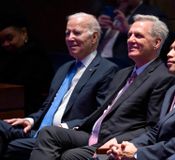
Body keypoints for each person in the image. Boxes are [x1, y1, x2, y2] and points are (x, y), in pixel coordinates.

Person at [29, 14, 175, 160]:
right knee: (48, 133)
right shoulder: (122, 73)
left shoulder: (163, 78)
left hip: (116, 141)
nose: (130, 40)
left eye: (138, 36)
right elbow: (101, 112)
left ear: (157, 43)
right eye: (129, 35)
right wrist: (69, 126)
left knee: (71, 156)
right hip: (93, 133)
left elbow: (152, 127)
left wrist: (119, 141)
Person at [0, 12, 118, 159]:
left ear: (94, 37)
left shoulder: (106, 70)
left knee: (14, 147)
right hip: (37, 129)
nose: (70, 38)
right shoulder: (65, 68)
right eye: (67, 33)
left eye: (77, 33)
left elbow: (100, 114)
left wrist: (64, 127)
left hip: (66, 134)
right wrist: (30, 120)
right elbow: (48, 106)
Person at [107, 33, 175, 160]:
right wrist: (129, 146)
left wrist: (138, 153)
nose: (169, 54)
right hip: (154, 151)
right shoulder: (173, 88)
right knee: (107, 156)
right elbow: (157, 131)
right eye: (171, 49)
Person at [0, 14, 54, 115]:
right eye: (1, 41)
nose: (5, 44)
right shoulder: (6, 56)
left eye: (9, 38)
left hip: (30, 110)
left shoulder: (36, 55)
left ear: (24, 33)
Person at [97, 0, 167, 68]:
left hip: (121, 63)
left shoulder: (152, 13)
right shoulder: (108, 10)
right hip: (97, 58)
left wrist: (128, 30)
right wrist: (97, 26)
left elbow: (163, 42)